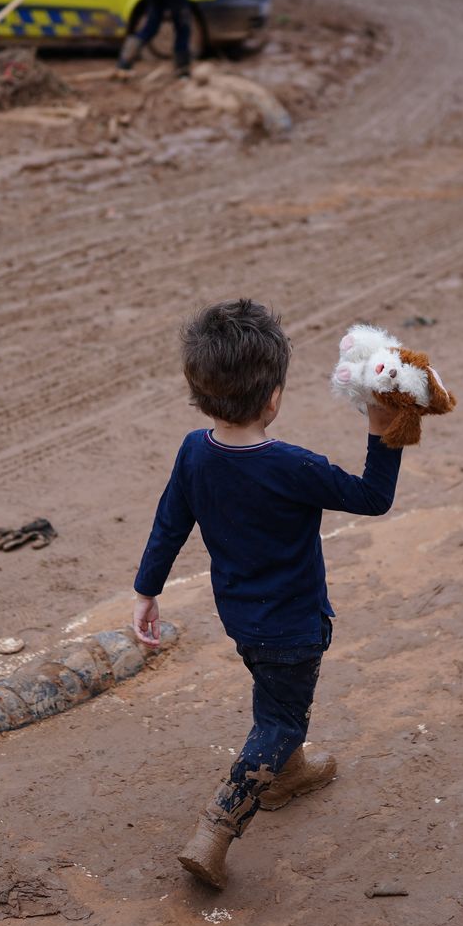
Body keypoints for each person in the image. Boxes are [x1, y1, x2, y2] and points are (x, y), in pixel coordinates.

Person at [131, 299, 403, 888]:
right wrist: (384, 429)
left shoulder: (194, 450)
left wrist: (146, 591)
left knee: (274, 696)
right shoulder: (293, 466)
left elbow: (169, 523)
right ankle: (216, 827)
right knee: (280, 718)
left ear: (198, 392)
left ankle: (291, 771)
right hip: (296, 624)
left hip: (241, 617)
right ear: (274, 396)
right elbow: (373, 497)